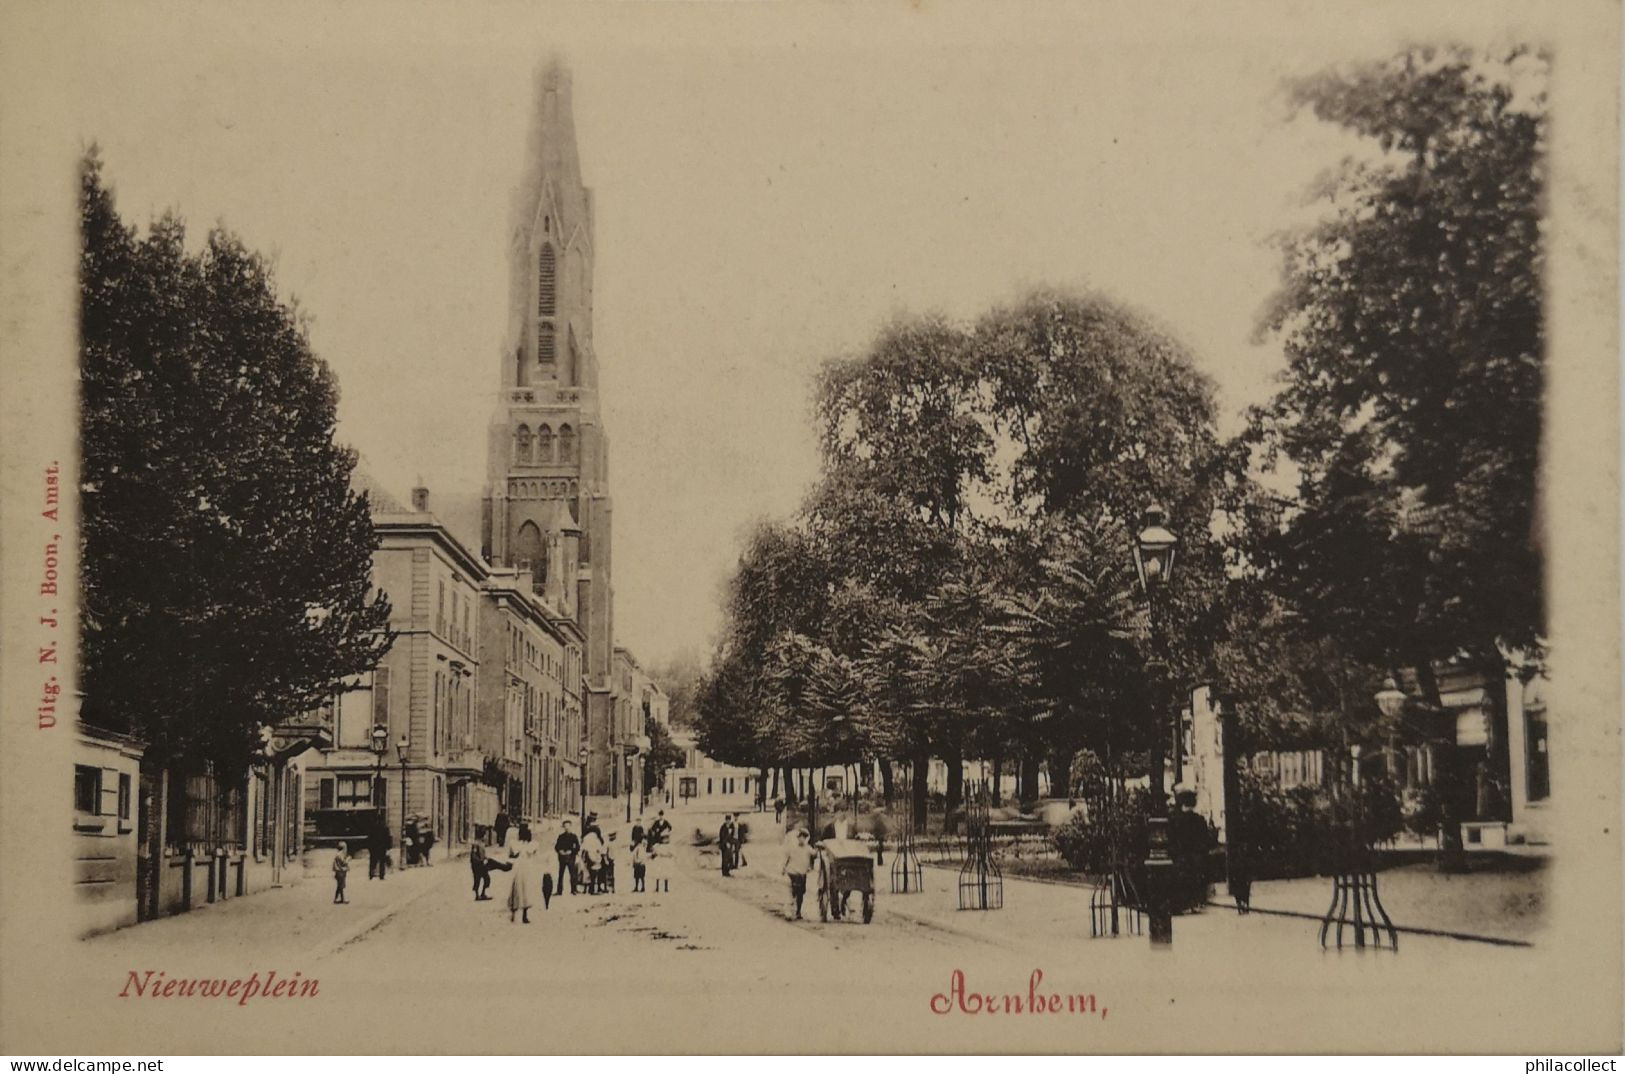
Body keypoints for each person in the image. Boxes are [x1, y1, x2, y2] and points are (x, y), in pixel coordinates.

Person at [782, 828, 816, 920]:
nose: (802, 839)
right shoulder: (793, 847)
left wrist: (820, 848)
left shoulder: (808, 848)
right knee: (791, 892)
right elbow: (786, 857)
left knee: (801, 894)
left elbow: (815, 854)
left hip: (802, 874)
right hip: (792, 872)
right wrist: (783, 868)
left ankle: (798, 912)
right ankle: (788, 912)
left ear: (806, 839)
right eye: (800, 837)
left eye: (804, 838)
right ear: (798, 838)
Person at [506, 824, 536, 924]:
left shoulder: (514, 844)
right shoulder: (532, 845)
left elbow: (510, 855)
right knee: (526, 890)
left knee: (516, 889)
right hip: (528, 867)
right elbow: (534, 854)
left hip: (518, 867)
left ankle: (513, 914)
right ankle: (525, 915)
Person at [555, 820, 581, 895]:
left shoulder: (574, 837)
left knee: (572, 874)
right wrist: (560, 851)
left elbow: (578, 847)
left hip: (571, 857)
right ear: (563, 827)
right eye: (565, 826)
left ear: (570, 827)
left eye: (568, 826)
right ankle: (559, 890)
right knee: (561, 874)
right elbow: (556, 847)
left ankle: (573, 890)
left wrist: (572, 851)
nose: (567, 828)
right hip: (562, 858)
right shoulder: (561, 837)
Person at [580, 823, 607, 895]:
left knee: (588, 874)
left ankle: (589, 889)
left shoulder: (586, 838)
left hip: (588, 858)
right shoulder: (597, 839)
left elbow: (583, 849)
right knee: (595, 873)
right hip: (594, 858)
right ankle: (596, 888)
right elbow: (600, 850)